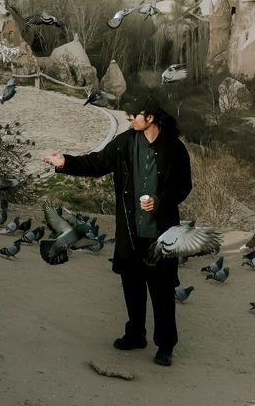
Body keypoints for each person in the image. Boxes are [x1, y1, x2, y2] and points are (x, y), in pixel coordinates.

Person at [42, 96, 192, 367]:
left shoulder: (174, 148)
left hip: (161, 233)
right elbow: (96, 164)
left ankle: (165, 345)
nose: (130, 119)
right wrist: (65, 162)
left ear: (151, 118)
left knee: (162, 290)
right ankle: (135, 335)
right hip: (130, 230)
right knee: (132, 284)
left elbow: (184, 187)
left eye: (135, 114)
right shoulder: (124, 144)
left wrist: (159, 201)